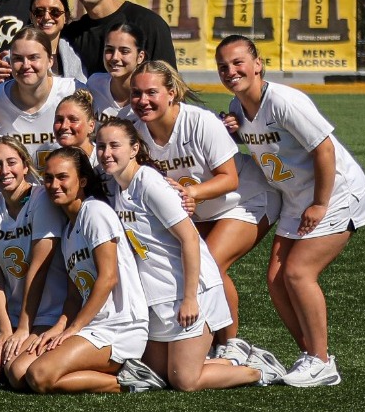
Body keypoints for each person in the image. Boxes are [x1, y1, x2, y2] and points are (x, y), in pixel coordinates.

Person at [219, 36, 365, 386]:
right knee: (276, 280)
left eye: (239, 62)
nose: (231, 71)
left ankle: (322, 361)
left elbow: (324, 150)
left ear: (258, 64)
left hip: (334, 191)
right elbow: (266, 144)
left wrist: (320, 204)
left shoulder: (284, 100)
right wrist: (231, 128)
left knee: (298, 274)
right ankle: (311, 355)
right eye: (224, 66)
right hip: (296, 197)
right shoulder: (237, 105)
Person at [94, 118, 280, 392]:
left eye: (114, 145)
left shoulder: (148, 182)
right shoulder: (120, 187)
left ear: (134, 149)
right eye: (100, 146)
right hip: (160, 296)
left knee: (185, 381)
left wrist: (191, 299)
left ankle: (258, 369)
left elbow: (190, 238)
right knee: (160, 375)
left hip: (190, 292)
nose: (106, 153)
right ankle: (234, 362)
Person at [126, 61, 268, 348]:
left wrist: (192, 194)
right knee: (188, 265)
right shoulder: (135, 130)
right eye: (136, 93)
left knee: (210, 265)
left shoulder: (200, 122)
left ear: (171, 93)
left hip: (245, 200)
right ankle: (205, 342)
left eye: (151, 92)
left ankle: (231, 347)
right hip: (199, 208)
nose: (143, 101)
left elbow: (229, 180)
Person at [8, 147, 147, 394]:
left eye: (63, 177)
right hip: (90, 327)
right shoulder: (69, 230)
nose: (53, 185)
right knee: (18, 372)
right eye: (48, 178)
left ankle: (130, 380)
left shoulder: (95, 212)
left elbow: (108, 278)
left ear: (81, 181)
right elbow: (74, 297)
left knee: (39, 376)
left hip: (119, 328)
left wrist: (74, 329)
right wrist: (58, 328)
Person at [0, 138, 67, 384]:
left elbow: (39, 269)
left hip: (47, 313)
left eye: (11, 162)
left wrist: (24, 328)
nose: (4, 171)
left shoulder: (40, 199)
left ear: (25, 166)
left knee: (17, 372)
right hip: (12, 313)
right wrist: (5, 328)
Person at [0, 30, 78, 174]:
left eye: (34, 57)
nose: (26, 65)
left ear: (50, 60)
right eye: (18, 59)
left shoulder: (73, 91)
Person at [85, 22, 146, 117]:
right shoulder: (94, 84)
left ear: (140, 57)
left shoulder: (148, 97)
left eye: (124, 51)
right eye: (109, 50)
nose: (115, 57)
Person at [29, 0, 86, 80]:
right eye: (39, 12)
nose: (46, 17)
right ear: (31, 17)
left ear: (66, 17)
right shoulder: (15, 56)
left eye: (55, 12)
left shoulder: (79, 55)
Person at [51, 88, 99, 155]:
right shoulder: (53, 160)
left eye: (73, 120)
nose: (64, 126)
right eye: (59, 120)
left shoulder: (103, 161)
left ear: (91, 126)